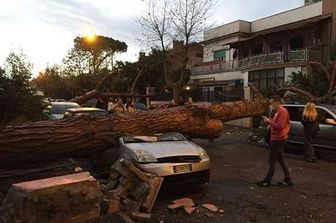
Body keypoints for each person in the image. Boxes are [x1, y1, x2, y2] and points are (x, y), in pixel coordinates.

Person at [258, 95, 293, 187]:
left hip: (278, 139)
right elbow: (277, 124)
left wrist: (269, 122)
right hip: (278, 138)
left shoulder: (282, 111)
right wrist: (269, 121)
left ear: (277, 102)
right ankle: (288, 179)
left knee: (272, 160)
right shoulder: (279, 111)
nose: (271, 105)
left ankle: (267, 180)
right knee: (280, 160)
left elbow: (280, 126)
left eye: (272, 103)